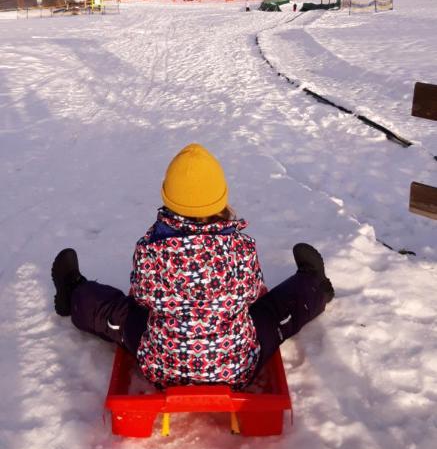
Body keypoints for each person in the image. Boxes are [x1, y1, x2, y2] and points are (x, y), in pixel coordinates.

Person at [52, 144, 334, 388]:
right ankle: (314, 286)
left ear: (167, 198)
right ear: (222, 199)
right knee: (271, 313)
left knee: (118, 314)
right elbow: (252, 294)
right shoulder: (240, 248)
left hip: (163, 367)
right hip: (236, 367)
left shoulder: (150, 250)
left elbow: (139, 297)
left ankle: (74, 292)